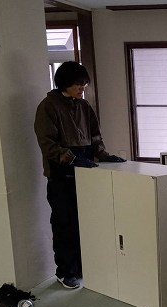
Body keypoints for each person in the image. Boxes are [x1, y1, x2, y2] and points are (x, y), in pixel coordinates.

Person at [34, 61, 125, 289]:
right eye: (78, 84)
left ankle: (84, 267)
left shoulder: (84, 106)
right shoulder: (48, 106)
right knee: (64, 224)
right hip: (60, 175)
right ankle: (66, 272)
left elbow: (95, 136)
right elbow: (47, 143)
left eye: (84, 84)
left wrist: (103, 154)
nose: (82, 88)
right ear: (65, 82)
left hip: (86, 175)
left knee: (86, 222)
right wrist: (71, 159)